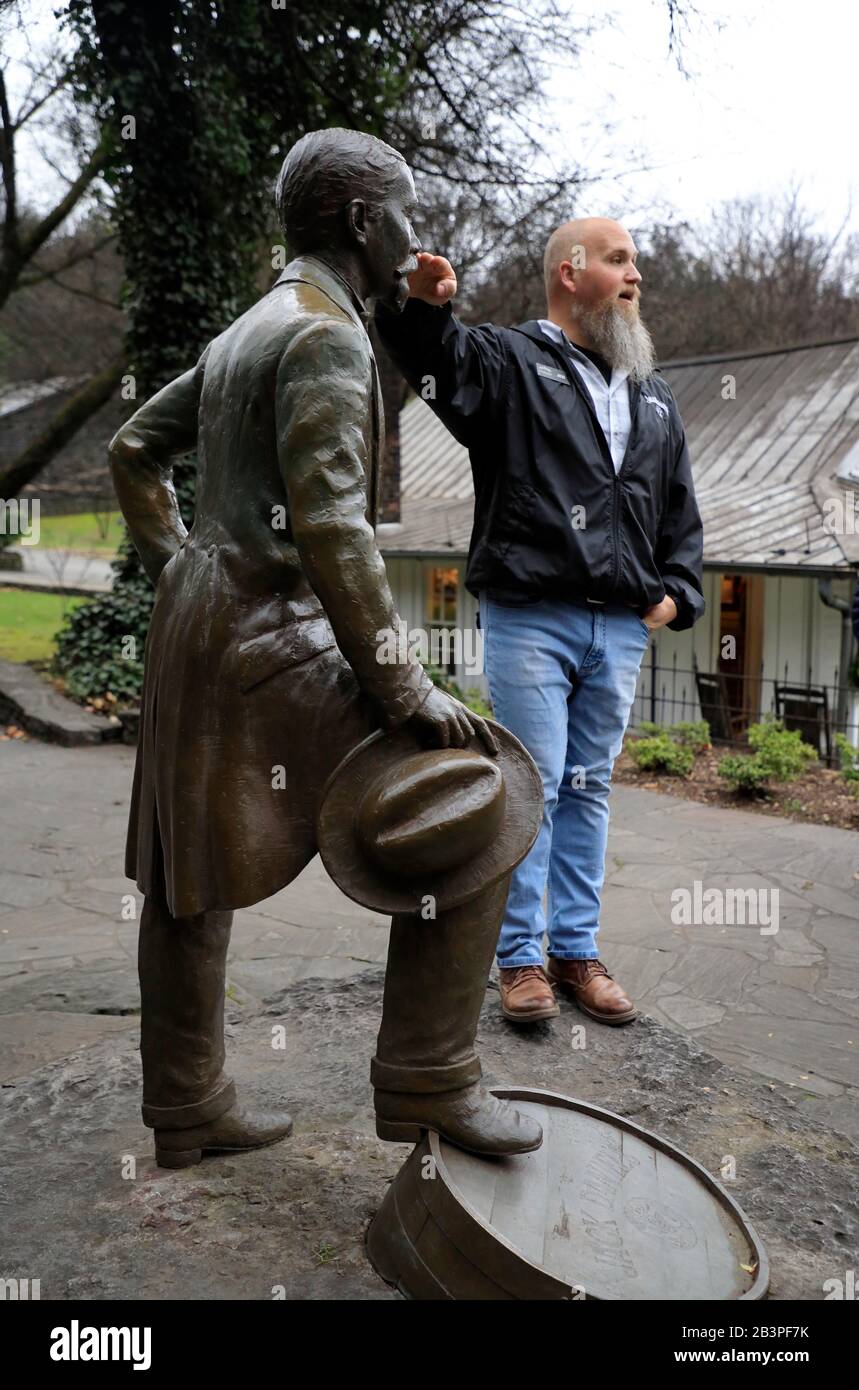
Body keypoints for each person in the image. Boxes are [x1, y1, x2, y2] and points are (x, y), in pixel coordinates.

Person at [109, 127, 543, 1167]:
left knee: (186, 874)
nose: (412, 233)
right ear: (360, 220)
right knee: (476, 789)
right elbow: (334, 528)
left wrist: (182, 561)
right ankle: (429, 1083)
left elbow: (134, 450)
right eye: (403, 211)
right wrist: (403, 687)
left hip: (195, 618)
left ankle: (184, 1105)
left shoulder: (248, 329)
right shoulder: (328, 335)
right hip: (265, 628)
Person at [375, 217, 705, 1027]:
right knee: (535, 788)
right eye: (619, 260)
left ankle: (575, 952)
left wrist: (675, 596)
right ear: (569, 271)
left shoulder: (653, 397)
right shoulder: (510, 363)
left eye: (635, 263)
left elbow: (678, 513)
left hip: (620, 628)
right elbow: (436, 361)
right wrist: (421, 307)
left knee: (588, 792)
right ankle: (519, 961)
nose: (635, 276)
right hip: (532, 618)